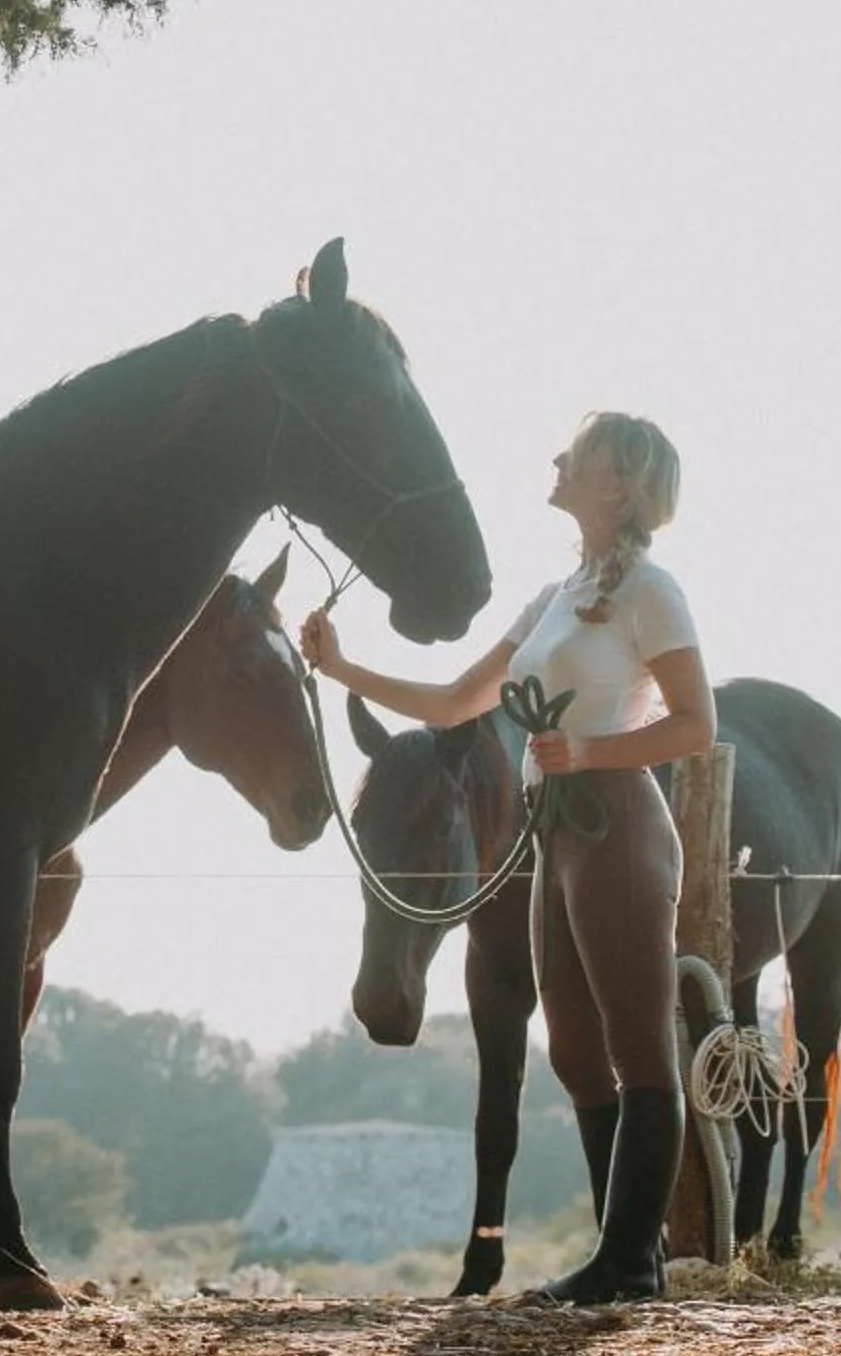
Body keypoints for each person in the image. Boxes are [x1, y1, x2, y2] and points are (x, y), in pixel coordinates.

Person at [301, 411, 715, 1302]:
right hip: (550, 830)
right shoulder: (558, 595)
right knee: (575, 1051)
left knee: (639, 1046)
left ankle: (630, 1262)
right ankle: (623, 1257)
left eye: (581, 452)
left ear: (619, 485)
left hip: (616, 823)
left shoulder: (653, 592)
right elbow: (457, 701)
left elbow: (695, 724)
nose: (558, 458)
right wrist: (341, 669)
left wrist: (589, 751)